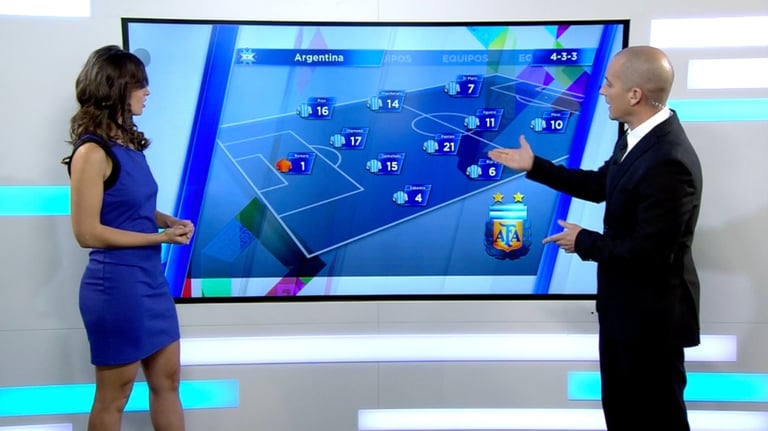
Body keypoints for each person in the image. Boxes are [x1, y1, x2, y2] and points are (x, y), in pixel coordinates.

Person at [488, 46, 702, 430]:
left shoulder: (669, 160)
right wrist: (535, 166)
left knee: (657, 421)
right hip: (625, 313)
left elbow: (649, 254)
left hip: (650, 323)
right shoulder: (637, 137)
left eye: (609, 83)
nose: (601, 90)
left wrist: (584, 241)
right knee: (623, 417)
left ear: (634, 95)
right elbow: (600, 184)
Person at [63, 45, 194, 431]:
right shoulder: (92, 152)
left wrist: (168, 221)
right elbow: (87, 232)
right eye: (139, 85)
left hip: (149, 282)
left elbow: (130, 205)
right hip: (116, 287)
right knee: (114, 396)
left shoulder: (129, 147)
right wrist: (160, 238)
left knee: (168, 382)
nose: (147, 92)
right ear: (115, 89)